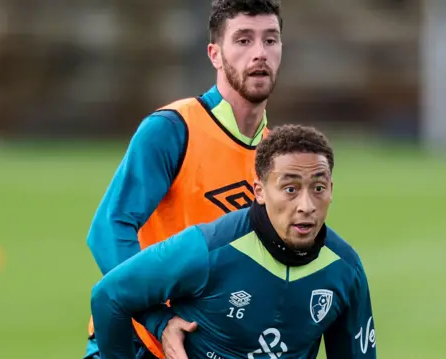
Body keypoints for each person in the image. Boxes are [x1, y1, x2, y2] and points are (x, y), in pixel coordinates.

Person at [83, 1, 284, 358]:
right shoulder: (173, 129)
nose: (259, 53)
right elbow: (108, 229)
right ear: (215, 54)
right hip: (136, 341)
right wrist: (159, 320)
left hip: (211, 346)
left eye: (270, 40)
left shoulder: (277, 154)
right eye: (243, 40)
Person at [91, 124, 378, 359]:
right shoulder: (209, 248)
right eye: (290, 189)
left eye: (318, 188)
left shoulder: (345, 270)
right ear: (260, 191)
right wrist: (158, 322)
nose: (306, 205)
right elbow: (109, 296)